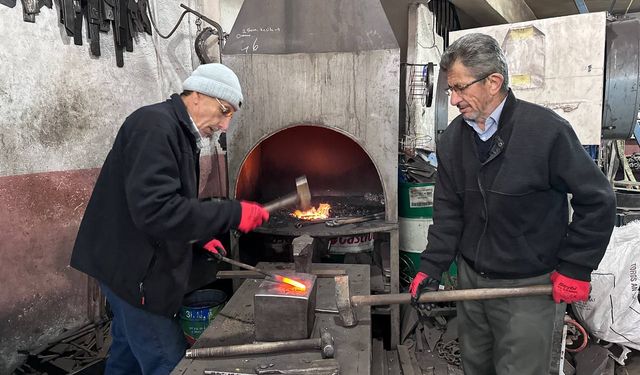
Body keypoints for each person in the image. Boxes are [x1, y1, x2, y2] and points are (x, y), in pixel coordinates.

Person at [409, 33, 616, 375]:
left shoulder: (546, 132)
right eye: (450, 89)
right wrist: (431, 265)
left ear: (493, 82)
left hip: (527, 287)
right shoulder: (453, 141)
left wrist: (576, 265)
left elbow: (597, 199)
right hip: (472, 282)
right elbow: (448, 211)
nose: (454, 98)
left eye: (460, 88)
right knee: (476, 365)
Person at [70, 63, 269, 375]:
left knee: (127, 351)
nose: (225, 126)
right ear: (200, 96)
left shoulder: (178, 132)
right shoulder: (153, 126)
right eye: (224, 111)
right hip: (133, 272)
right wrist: (232, 213)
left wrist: (200, 236)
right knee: (168, 362)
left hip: (130, 265)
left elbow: (173, 201)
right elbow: (157, 210)